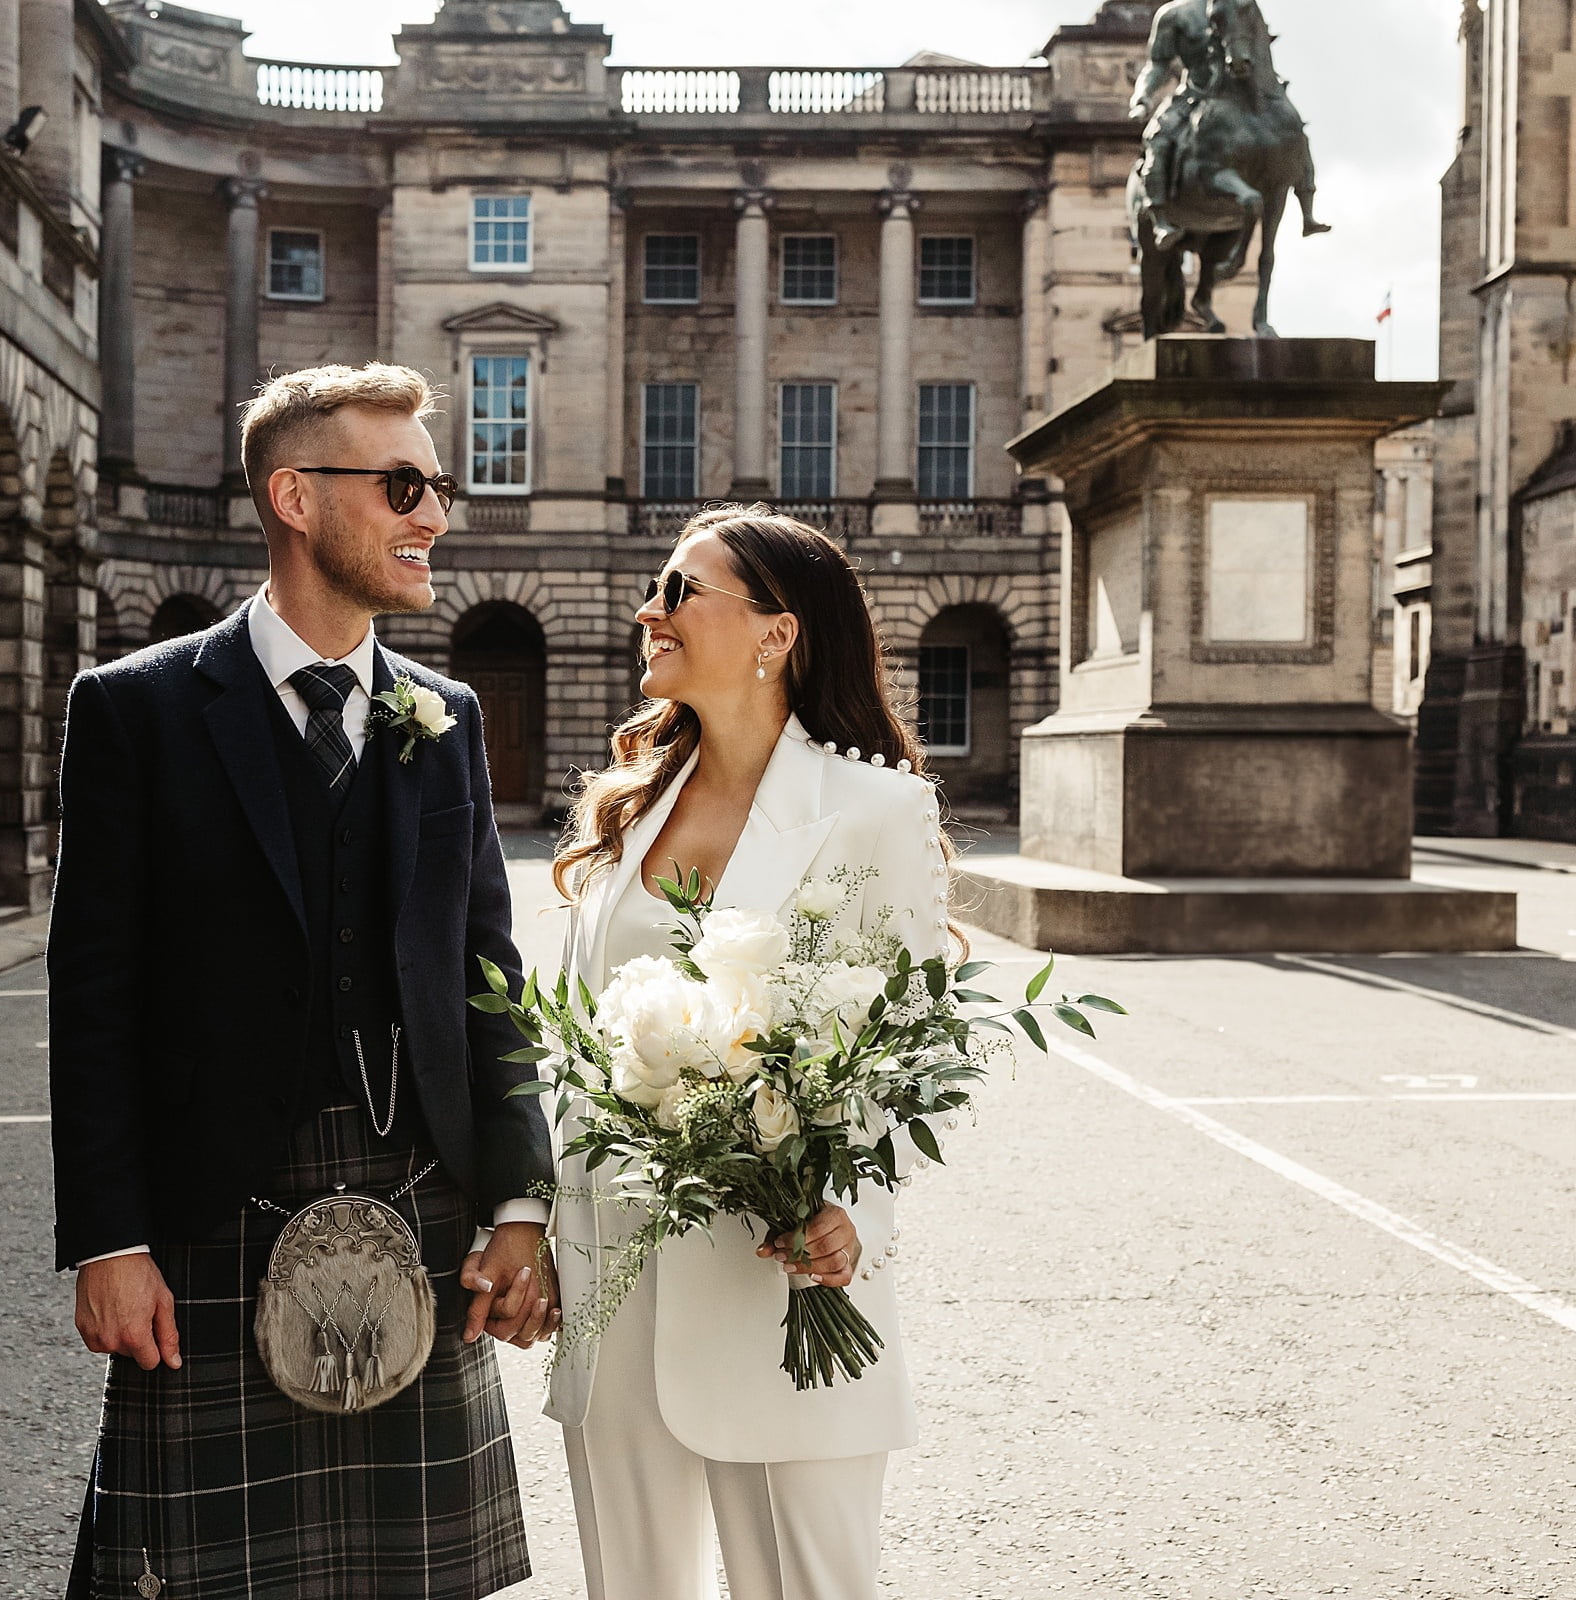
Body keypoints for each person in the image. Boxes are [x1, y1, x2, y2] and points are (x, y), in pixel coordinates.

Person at [49, 362, 557, 1600]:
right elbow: (93, 989)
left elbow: (491, 969)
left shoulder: (446, 713)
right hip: (216, 1211)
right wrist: (108, 1237)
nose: (432, 512)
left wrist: (523, 1202)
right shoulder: (140, 709)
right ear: (292, 495)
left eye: (437, 484)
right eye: (401, 484)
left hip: (420, 1194)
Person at [547, 506, 959, 1600]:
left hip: (782, 1277)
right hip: (616, 1280)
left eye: (681, 591)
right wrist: (534, 1225)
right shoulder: (626, 814)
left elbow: (911, 1049)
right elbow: (574, 1050)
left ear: (776, 634)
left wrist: (850, 1215)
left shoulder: (876, 810)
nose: (650, 610)